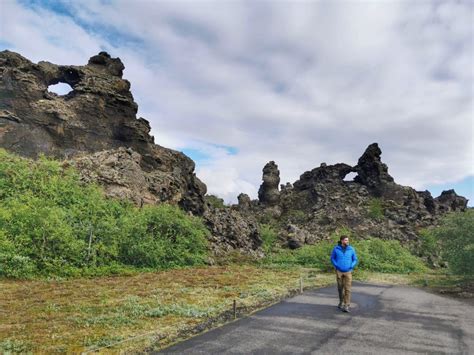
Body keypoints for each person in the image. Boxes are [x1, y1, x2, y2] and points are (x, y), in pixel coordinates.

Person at [330, 235, 358, 313]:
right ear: (342, 241)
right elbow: (332, 258)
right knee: (340, 288)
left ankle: (346, 305)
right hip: (339, 271)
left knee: (347, 289)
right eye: (346, 240)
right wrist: (336, 265)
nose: (347, 242)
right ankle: (341, 302)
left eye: (348, 240)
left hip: (348, 271)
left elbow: (355, 259)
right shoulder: (336, 249)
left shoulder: (351, 249)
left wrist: (351, 266)